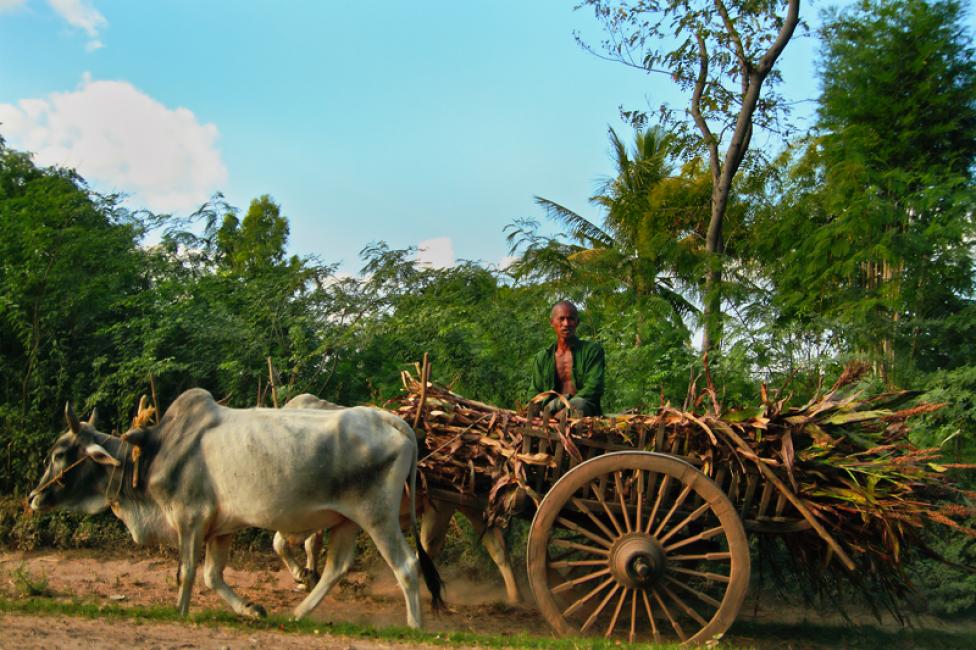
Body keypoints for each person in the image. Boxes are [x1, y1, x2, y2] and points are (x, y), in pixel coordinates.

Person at [530, 300, 604, 417]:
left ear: (577, 322)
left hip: (581, 409)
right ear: (552, 322)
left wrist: (564, 404)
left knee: (579, 404)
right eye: (561, 319)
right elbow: (535, 392)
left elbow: (594, 387)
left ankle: (556, 416)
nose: (566, 323)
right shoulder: (543, 357)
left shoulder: (592, 351)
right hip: (550, 409)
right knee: (531, 407)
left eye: (571, 319)